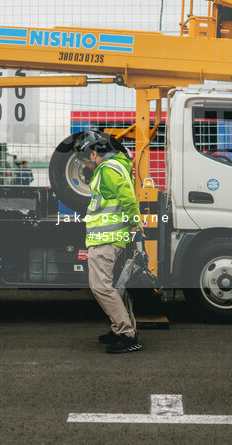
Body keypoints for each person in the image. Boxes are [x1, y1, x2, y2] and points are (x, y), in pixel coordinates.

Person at [76, 130, 143, 354]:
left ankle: (127, 334)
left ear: (94, 154)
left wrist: (136, 222)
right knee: (115, 288)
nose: (86, 164)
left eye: (85, 159)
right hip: (112, 237)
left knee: (100, 287)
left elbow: (128, 197)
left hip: (106, 239)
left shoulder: (107, 171)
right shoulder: (118, 166)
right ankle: (122, 329)